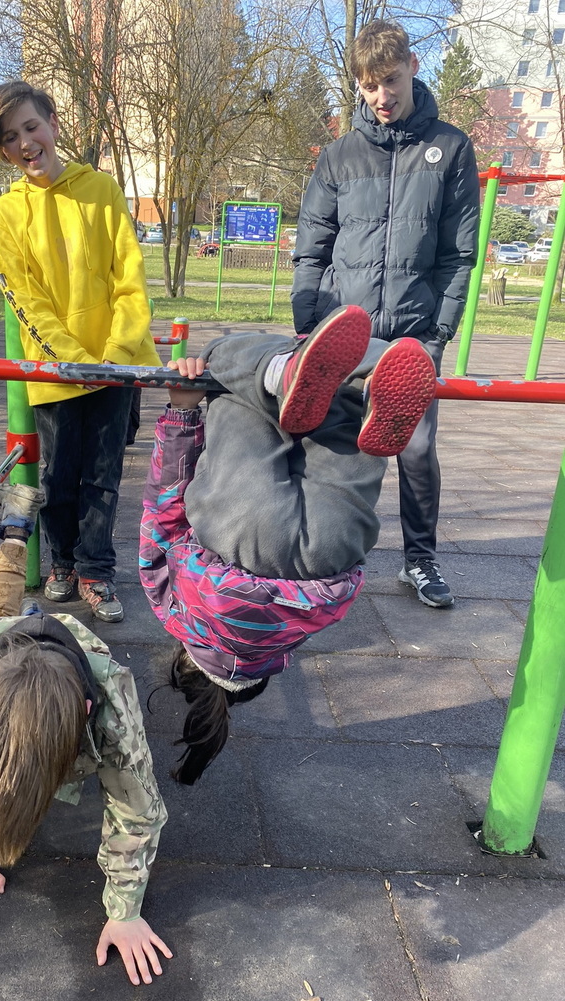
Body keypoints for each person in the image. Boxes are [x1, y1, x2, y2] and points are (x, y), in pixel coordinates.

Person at [139, 306, 437, 784]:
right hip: (239, 532)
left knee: (345, 419)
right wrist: (181, 411)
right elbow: (163, 514)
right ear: (183, 662)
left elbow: (338, 604)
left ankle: (367, 379)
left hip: (332, 550)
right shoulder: (176, 616)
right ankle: (279, 371)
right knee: (225, 371)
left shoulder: (289, 640)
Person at [0, 482, 171, 986]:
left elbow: (137, 813)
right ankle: (15, 531)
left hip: (74, 653)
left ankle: (20, 542)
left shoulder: (112, 702)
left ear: (85, 714)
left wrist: (124, 912)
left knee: (5, 614)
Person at [291, 19, 480, 609]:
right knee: (330, 448)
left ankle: (419, 560)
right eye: (369, 86)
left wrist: (436, 337)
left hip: (411, 337)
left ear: (412, 68)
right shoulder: (340, 156)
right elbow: (312, 245)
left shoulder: (450, 149)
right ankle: (320, 556)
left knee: (416, 450)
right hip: (343, 332)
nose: (382, 96)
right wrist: (308, 326)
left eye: (391, 80)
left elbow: (458, 255)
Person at [0, 81, 161, 623]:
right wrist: (69, 358)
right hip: (56, 369)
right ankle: (62, 561)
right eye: (9, 137)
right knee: (59, 476)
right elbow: (25, 298)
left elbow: (129, 276)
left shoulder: (101, 190)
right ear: (2, 150)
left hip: (113, 361)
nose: (24, 143)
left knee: (103, 473)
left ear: (53, 124)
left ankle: (97, 571)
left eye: (31, 126)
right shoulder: (5, 215)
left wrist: (117, 351)